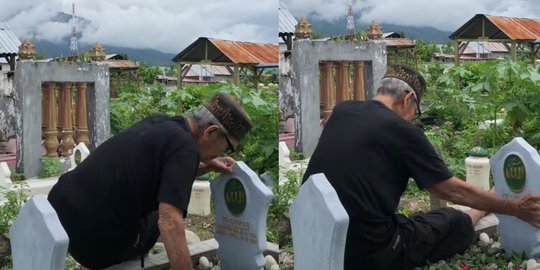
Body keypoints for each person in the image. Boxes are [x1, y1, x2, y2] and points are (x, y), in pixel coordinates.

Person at [302, 64, 540, 270]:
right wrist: (514, 208)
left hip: (314, 234)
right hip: (367, 253)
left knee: (409, 219)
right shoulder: (402, 130)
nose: (412, 117)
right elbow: (451, 191)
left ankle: (483, 206)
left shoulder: (342, 110)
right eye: (415, 111)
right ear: (408, 99)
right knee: (450, 219)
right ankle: (480, 210)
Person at [48, 92, 252, 269]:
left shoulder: (163, 123)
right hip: (91, 241)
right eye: (227, 148)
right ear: (211, 132)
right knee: (155, 218)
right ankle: (104, 263)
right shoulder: (186, 150)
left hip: (60, 214)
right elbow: (170, 223)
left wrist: (207, 165)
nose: (222, 153)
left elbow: (159, 172)